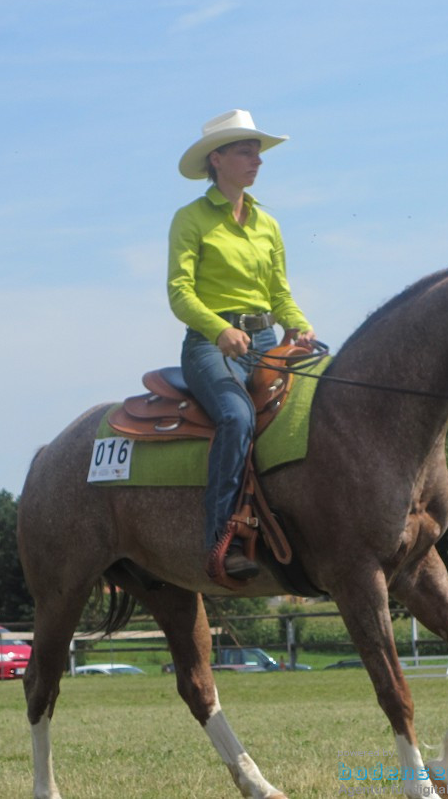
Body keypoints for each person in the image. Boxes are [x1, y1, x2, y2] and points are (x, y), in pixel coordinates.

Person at [168, 109, 316, 582]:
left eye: (257, 151)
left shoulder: (267, 224)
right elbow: (180, 293)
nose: (257, 160)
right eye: (245, 151)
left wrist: (300, 325)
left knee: (314, 409)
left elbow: (279, 294)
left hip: (268, 339)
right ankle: (222, 540)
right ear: (217, 159)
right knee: (236, 416)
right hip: (209, 346)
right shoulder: (189, 219)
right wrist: (219, 330)